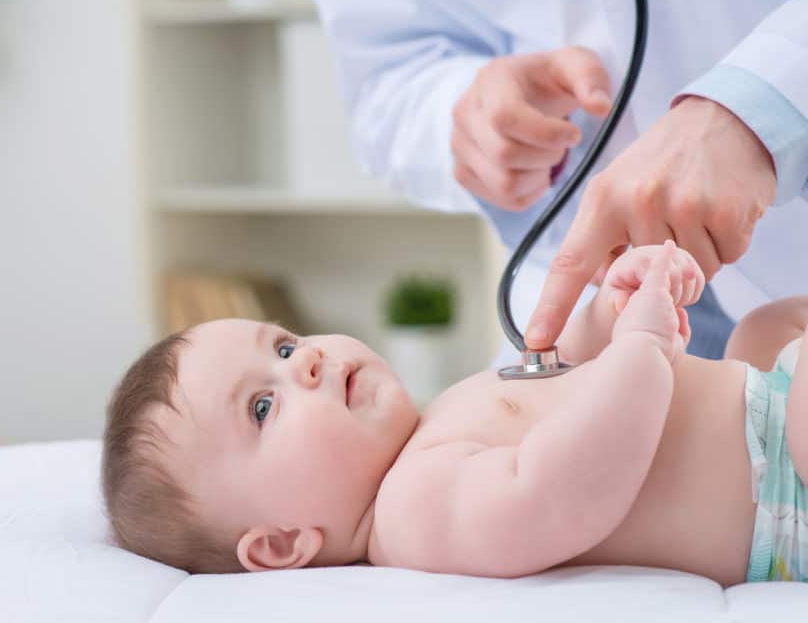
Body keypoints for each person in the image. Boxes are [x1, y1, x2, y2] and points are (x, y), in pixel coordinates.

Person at [102, 241, 808, 584]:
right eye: (263, 404)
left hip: (769, 414)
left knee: (765, 327)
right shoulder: (412, 511)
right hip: (780, 489)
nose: (306, 361)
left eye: (285, 345)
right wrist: (643, 348)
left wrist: (608, 312)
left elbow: (562, 376)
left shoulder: (433, 421)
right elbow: (557, 488)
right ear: (284, 543)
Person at [296, 0, 808, 361]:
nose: (308, 367)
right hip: (608, 276)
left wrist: (765, 103)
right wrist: (463, 113)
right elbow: (386, 80)